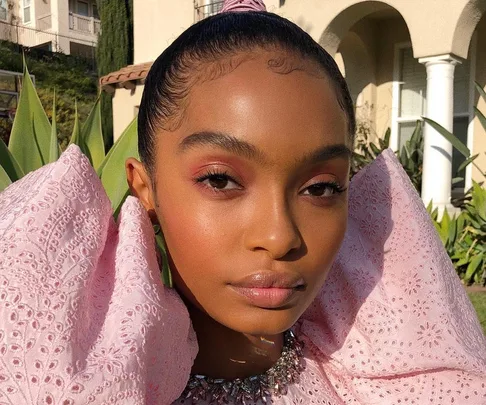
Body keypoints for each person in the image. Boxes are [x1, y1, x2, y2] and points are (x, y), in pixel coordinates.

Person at [0, 0, 485, 404]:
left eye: (320, 187)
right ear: (145, 190)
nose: (279, 237)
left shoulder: (396, 381)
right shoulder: (84, 388)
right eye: (220, 180)